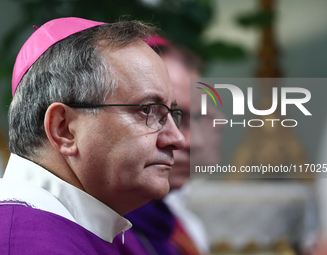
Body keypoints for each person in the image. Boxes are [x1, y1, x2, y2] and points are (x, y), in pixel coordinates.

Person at [0, 17, 185, 254]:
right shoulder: (23, 243)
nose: (176, 138)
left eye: (172, 113)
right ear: (64, 129)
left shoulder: (84, 227)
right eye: (147, 110)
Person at [113, 37, 223, 255]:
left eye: (186, 118)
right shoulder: (94, 233)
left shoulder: (177, 223)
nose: (190, 142)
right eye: (156, 114)